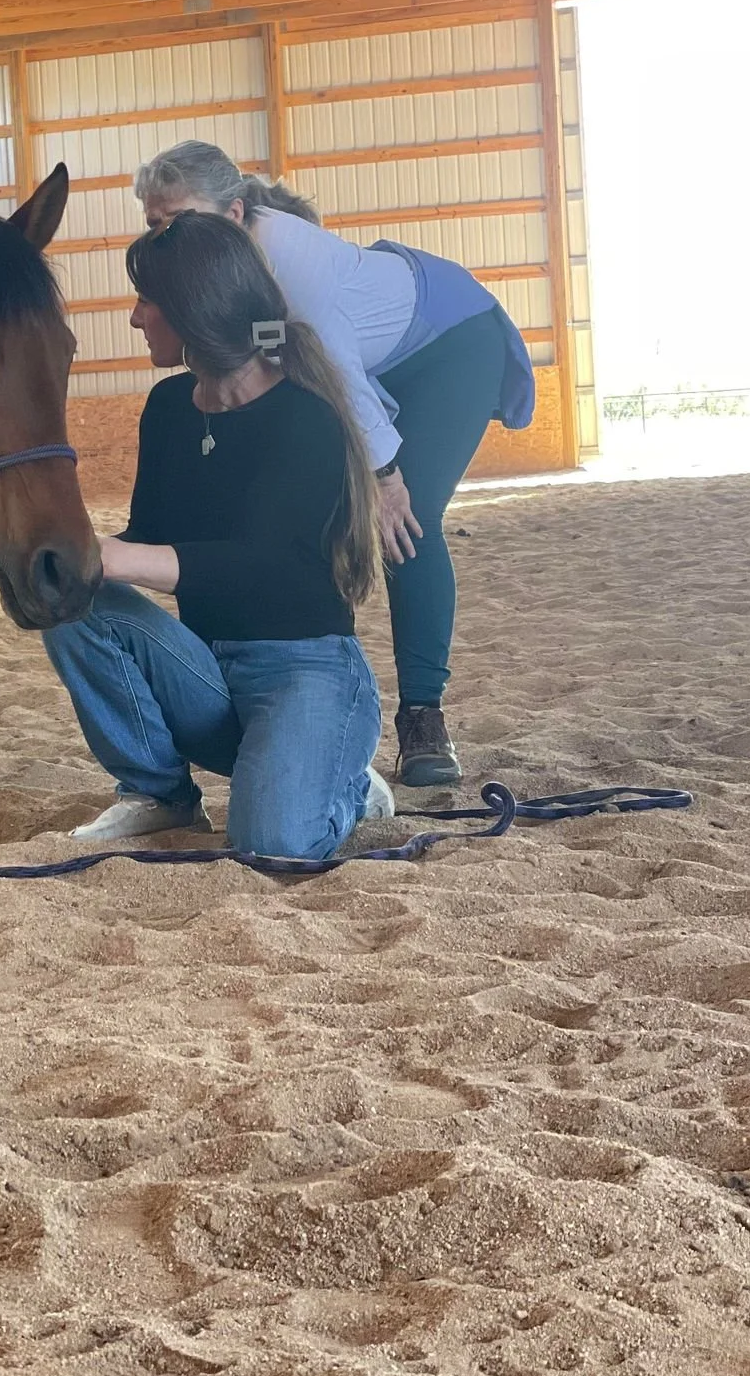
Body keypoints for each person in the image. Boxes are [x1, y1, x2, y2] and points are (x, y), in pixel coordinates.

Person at [132, 140, 535, 787]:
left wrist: (386, 478)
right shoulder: (224, 266)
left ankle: (423, 717)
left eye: (177, 219)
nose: (163, 236)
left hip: (449, 342)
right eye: (154, 224)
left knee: (408, 522)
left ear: (234, 215)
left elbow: (335, 373)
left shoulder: (290, 266)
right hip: (361, 350)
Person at [43, 211, 395, 860]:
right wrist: (69, 554)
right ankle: (161, 795)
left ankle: (344, 783)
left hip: (304, 670)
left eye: (146, 300)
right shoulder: (168, 409)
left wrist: (116, 557)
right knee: (65, 600)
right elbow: (148, 536)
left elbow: (264, 566)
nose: (134, 317)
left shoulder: (305, 416)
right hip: (206, 671)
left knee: (273, 843)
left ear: (192, 310)